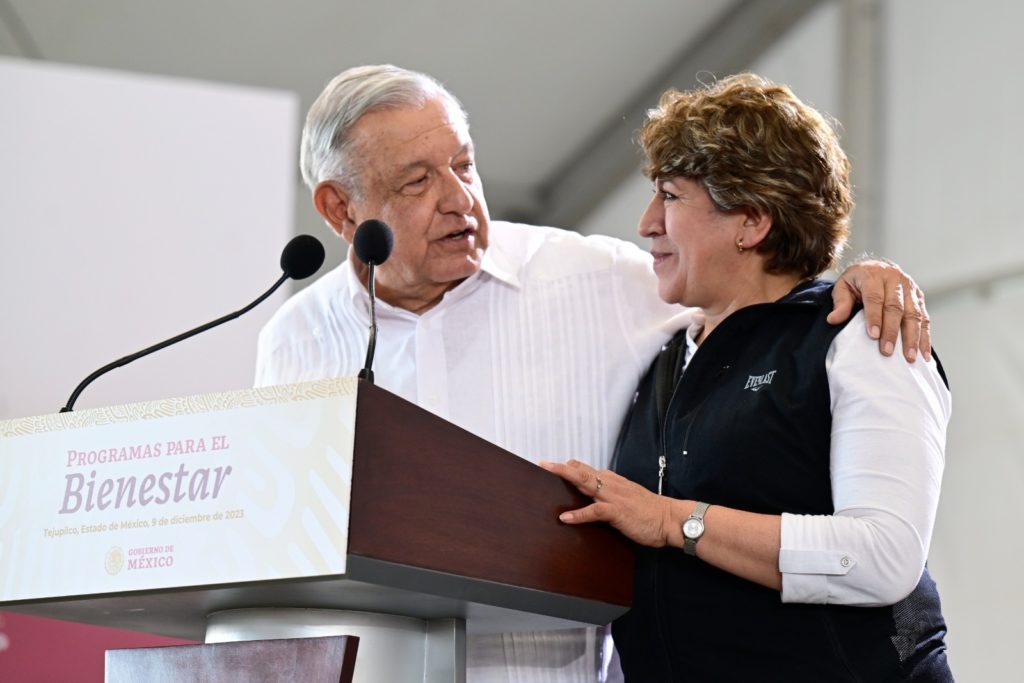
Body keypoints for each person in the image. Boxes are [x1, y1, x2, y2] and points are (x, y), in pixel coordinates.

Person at [255, 65, 934, 683]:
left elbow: (757, 288)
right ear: (340, 208)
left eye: (464, 164)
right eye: (417, 181)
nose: (459, 197)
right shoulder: (294, 340)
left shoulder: (602, 282)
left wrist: (869, 278)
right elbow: (275, 544)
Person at [541, 73, 952, 681]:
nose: (647, 222)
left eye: (670, 196)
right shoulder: (662, 354)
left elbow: (884, 557)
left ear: (752, 222)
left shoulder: (864, 336)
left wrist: (672, 520)